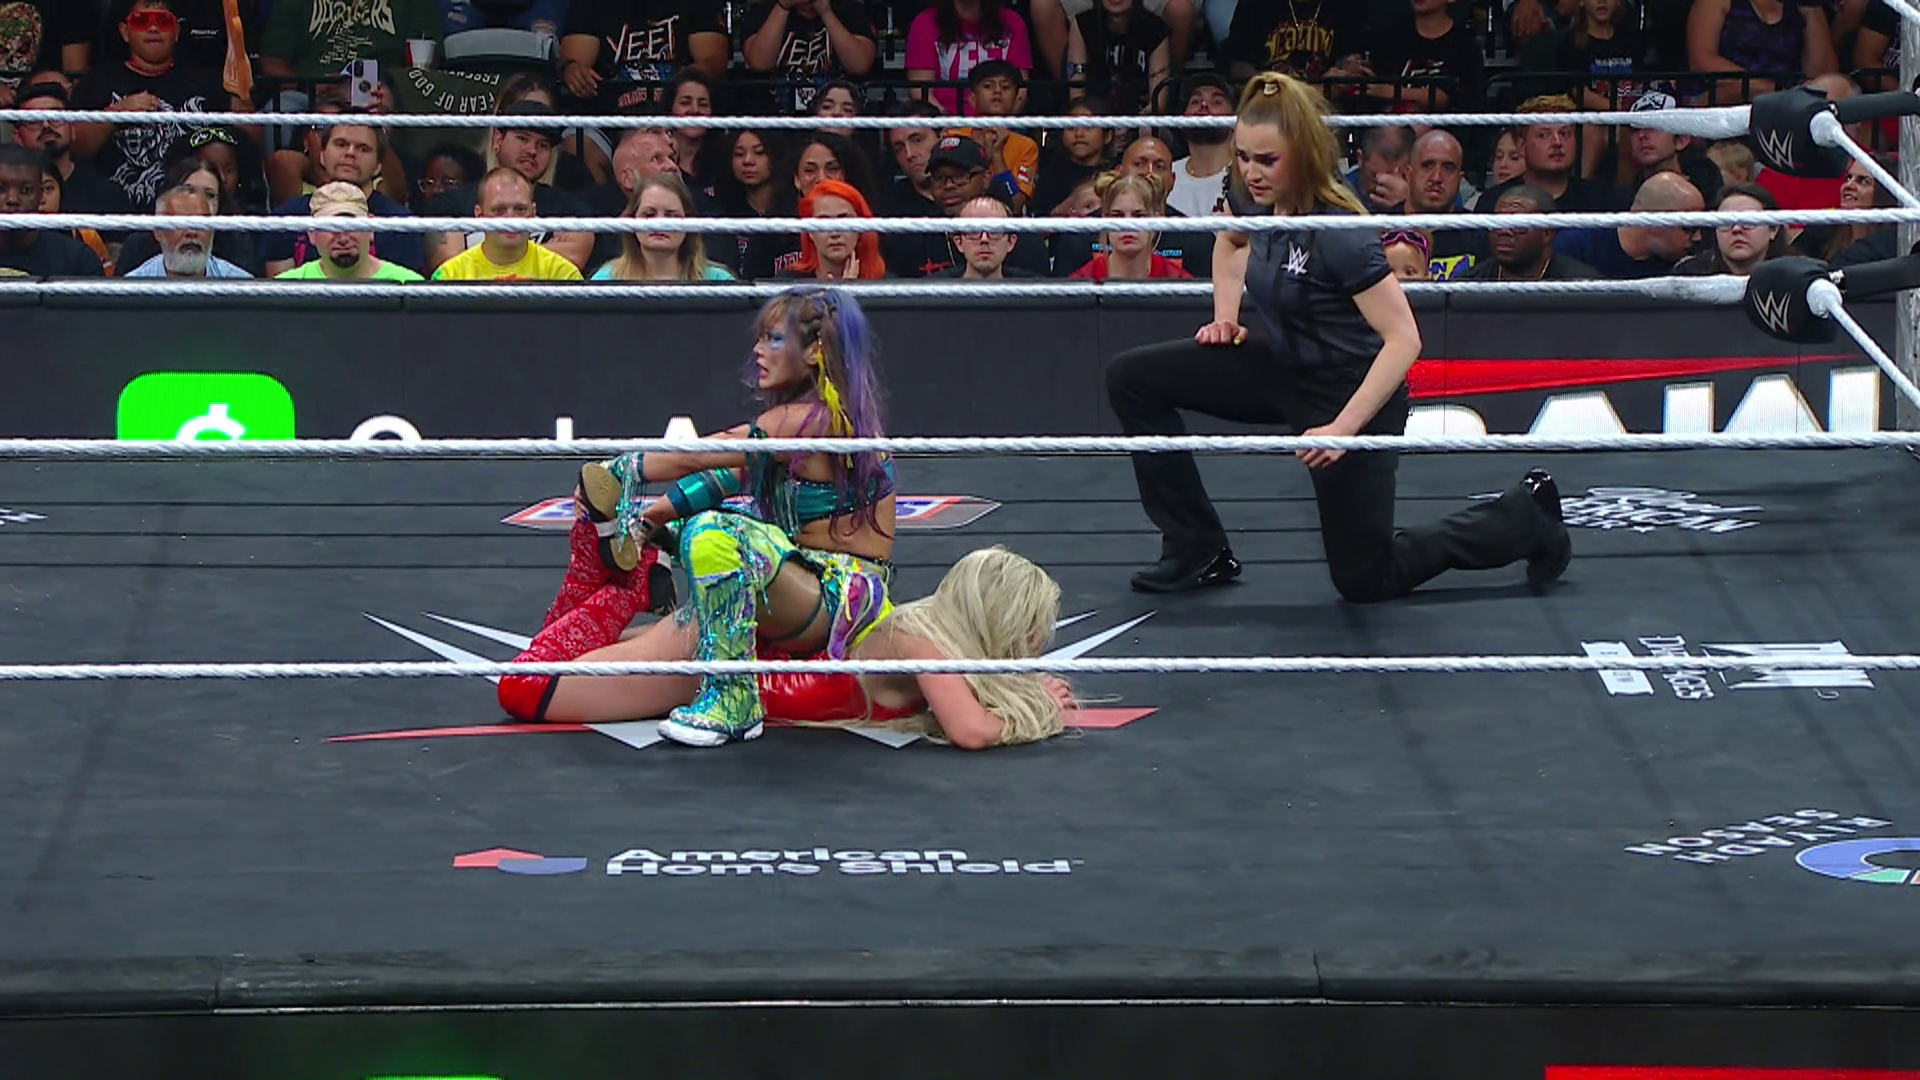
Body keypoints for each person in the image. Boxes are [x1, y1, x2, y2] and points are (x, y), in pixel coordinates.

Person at [1104, 73, 1573, 601]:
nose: (1252, 172)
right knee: (1131, 378)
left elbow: (1404, 340)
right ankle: (1196, 546)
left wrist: (1342, 430)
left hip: (1348, 392)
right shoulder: (1254, 196)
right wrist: (1225, 317)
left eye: (1267, 160)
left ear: (1302, 156)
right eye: (1244, 157)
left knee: (1365, 577)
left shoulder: (1341, 233)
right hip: (1280, 365)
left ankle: (1524, 518)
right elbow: (1231, 242)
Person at [500, 287, 906, 746]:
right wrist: (649, 521)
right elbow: (724, 478)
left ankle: (732, 698)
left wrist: (622, 469)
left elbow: (704, 455)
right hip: (803, 595)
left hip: (835, 602)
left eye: (773, 339)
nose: (758, 350)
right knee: (534, 679)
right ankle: (639, 577)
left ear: (815, 351)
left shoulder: (813, 420)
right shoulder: (816, 422)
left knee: (714, 532)